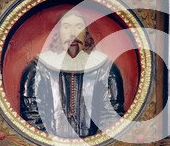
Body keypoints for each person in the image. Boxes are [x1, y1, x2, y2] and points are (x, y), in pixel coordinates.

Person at [20, 9, 124, 138]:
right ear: (58, 32)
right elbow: (31, 113)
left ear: (86, 32)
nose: (72, 33)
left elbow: (112, 113)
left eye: (79, 26)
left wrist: (96, 141)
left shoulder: (105, 68)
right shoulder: (38, 68)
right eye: (66, 26)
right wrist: (48, 141)